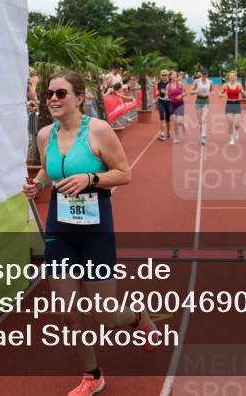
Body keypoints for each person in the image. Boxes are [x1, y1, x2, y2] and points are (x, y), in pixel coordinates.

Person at [22, 71, 157, 396]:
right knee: (69, 313)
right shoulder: (44, 136)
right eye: (49, 94)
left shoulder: (98, 131)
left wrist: (90, 179)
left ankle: (137, 318)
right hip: (60, 231)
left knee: (105, 314)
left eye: (60, 93)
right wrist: (37, 183)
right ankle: (92, 374)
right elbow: (46, 169)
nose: (52, 99)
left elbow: (123, 174)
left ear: (79, 98)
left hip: (95, 229)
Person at [219, 70, 246, 145]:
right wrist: (222, 95)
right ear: (229, 77)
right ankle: (231, 138)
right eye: (231, 76)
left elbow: (244, 95)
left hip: (237, 104)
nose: (232, 77)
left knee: (237, 124)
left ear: (236, 77)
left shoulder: (239, 85)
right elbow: (220, 93)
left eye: (234, 76)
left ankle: (237, 131)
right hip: (229, 104)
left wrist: (243, 92)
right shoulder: (225, 85)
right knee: (230, 123)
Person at [190, 68, 213, 145]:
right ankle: (200, 125)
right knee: (200, 120)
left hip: (206, 101)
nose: (204, 75)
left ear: (207, 74)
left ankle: (203, 136)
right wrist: (197, 91)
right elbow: (190, 92)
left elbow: (212, 90)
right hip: (198, 101)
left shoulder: (210, 82)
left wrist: (212, 92)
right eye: (203, 74)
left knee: (203, 119)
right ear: (201, 74)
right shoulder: (196, 81)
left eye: (205, 74)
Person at [167, 70, 186, 143]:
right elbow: (167, 94)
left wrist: (181, 95)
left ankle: (183, 124)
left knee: (179, 122)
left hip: (180, 104)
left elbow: (186, 92)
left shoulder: (180, 83)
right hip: (172, 104)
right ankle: (177, 138)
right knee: (174, 122)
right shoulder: (168, 86)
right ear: (170, 76)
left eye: (176, 75)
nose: (175, 76)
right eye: (174, 75)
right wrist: (166, 97)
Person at [156, 69, 171, 141]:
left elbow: (171, 92)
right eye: (162, 75)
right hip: (161, 101)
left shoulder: (170, 83)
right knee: (162, 116)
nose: (164, 76)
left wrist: (168, 93)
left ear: (168, 76)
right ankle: (162, 133)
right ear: (160, 76)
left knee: (168, 118)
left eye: (165, 75)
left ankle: (168, 131)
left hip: (168, 102)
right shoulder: (159, 83)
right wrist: (167, 93)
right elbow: (161, 91)